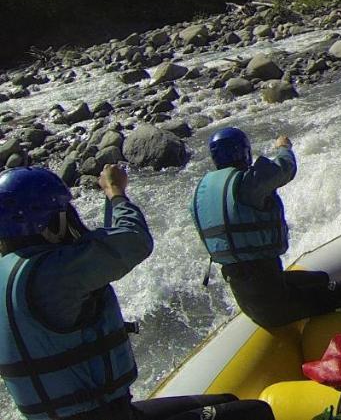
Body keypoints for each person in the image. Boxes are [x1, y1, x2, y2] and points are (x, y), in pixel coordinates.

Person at [0, 165, 273, 420]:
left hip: (104, 412)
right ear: (48, 221)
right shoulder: (54, 273)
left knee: (226, 399)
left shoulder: (18, 272)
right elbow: (133, 240)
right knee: (254, 413)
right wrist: (115, 192)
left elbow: (106, 248)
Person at [191, 128, 341, 329]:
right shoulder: (248, 183)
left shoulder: (200, 195)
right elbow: (286, 167)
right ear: (242, 151)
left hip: (251, 295)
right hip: (275, 303)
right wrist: (284, 147)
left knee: (321, 278)